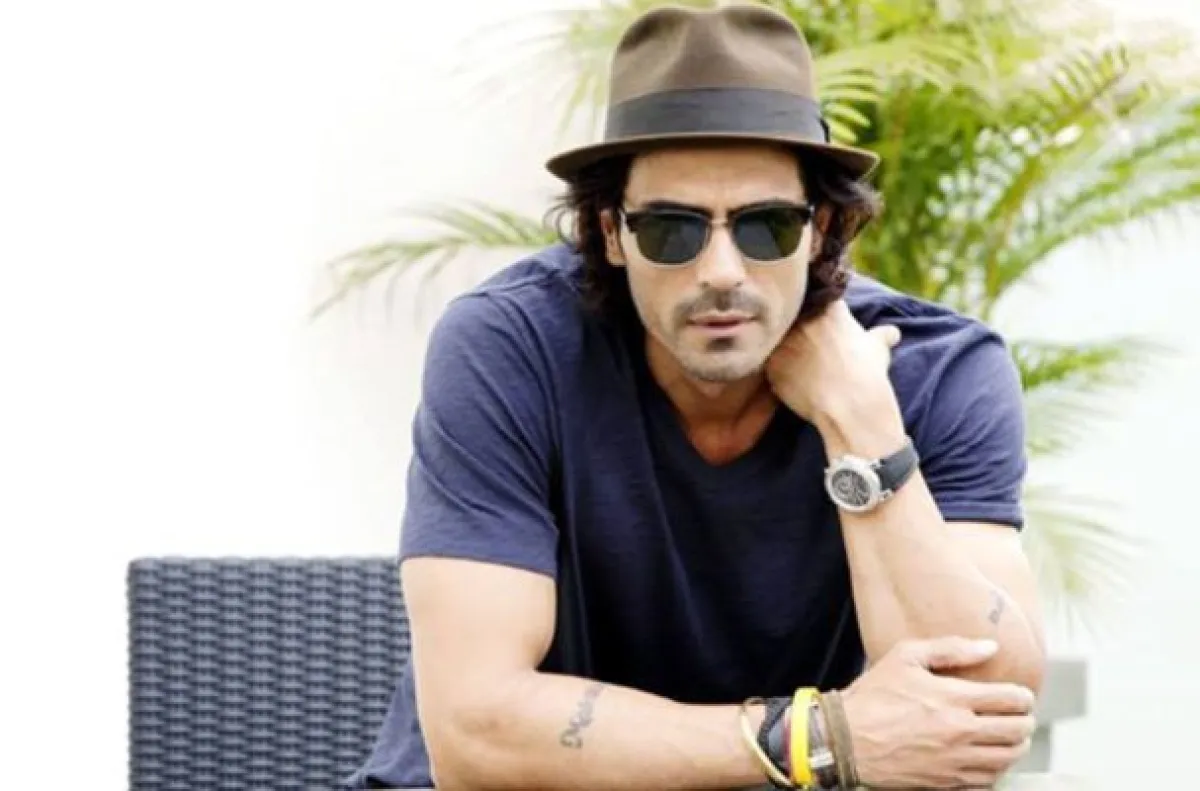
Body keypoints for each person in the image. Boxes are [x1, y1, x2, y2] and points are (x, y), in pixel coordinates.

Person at [347, 4, 1046, 789]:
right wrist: (812, 738)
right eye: (672, 229)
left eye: (767, 226)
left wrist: (863, 424)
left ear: (821, 227)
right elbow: (475, 733)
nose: (721, 271)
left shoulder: (937, 368)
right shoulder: (511, 348)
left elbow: (983, 706)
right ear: (610, 233)